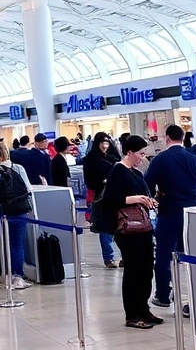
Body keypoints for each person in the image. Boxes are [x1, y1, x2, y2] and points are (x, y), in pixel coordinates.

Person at [145, 124, 196, 309]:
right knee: (194, 255)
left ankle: (163, 295)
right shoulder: (195, 159)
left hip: (169, 212)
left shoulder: (160, 160)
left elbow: (147, 184)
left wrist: (156, 199)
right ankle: (194, 295)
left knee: (164, 255)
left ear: (167, 138)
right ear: (183, 138)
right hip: (193, 213)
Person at [102, 135, 159, 330]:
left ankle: (144, 308)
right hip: (127, 230)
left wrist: (149, 201)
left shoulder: (137, 173)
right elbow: (110, 199)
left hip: (143, 227)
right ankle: (132, 314)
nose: (142, 158)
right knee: (134, 270)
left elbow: (144, 195)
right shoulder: (118, 171)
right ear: (129, 152)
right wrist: (135, 199)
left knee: (146, 269)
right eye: (140, 153)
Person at [0, 142, 34, 291]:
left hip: (3, 213)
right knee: (17, 244)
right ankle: (18, 276)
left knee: (6, 245)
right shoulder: (19, 168)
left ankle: (7, 275)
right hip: (20, 211)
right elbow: (28, 189)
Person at [83, 133, 120, 268]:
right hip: (100, 197)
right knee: (105, 227)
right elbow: (89, 180)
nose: (105, 146)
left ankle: (123, 256)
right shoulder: (90, 160)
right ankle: (109, 257)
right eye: (102, 143)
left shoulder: (114, 158)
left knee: (120, 226)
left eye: (107, 143)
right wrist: (102, 182)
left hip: (117, 195)